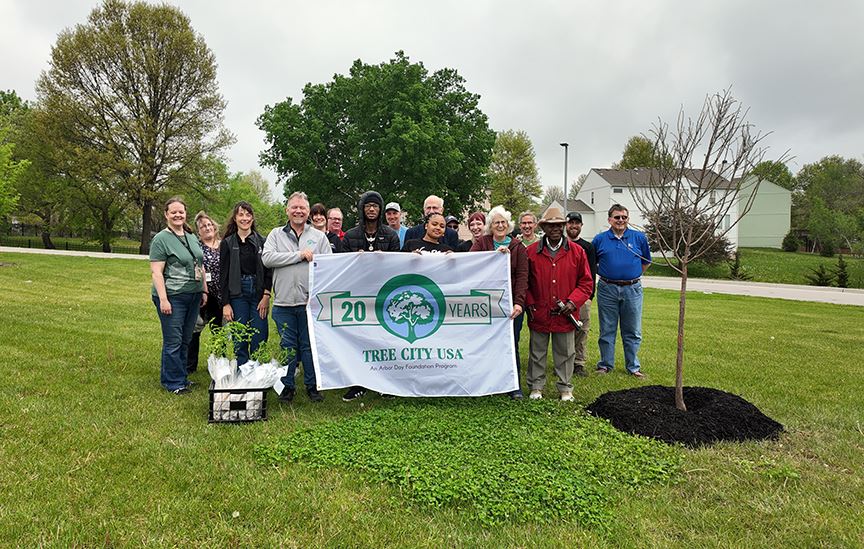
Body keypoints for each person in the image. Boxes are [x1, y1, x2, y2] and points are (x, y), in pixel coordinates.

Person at [262, 191, 332, 403]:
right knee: (287, 346)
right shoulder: (275, 235)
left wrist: (318, 295)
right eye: (295, 207)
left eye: (302, 208)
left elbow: (328, 267)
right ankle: (288, 386)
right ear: (287, 210)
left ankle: (312, 386)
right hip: (283, 303)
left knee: (309, 347)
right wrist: (299, 255)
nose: (299, 211)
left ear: (308, 211)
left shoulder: (319, 237)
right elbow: (267, 258)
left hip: (309, 303)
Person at [524, 207, 593, 401]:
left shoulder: (577, 252)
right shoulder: (531, 252)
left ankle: (565, 388)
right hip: (539, 311)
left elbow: (586, 282)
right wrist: (530, 303)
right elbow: (524, 282)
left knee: (566, 352)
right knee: (537, 352)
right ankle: (536, 387)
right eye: (550, 225)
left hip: (566, 313)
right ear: (543, 227)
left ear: (563, 226)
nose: (555, 229)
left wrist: (574, 302)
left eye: (559, 225)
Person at [340, 190, 401, 402]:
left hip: (384, 296)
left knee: (384, 339)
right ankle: (358, 383)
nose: (372, 209)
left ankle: (385, 384)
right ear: (362, 209)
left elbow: (397, 267)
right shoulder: (350, 236)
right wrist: (353, 260)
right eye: (368, 206)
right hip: (359, 296)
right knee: (359, 340)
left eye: (375, 206)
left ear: (380, 209)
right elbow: (340, 268)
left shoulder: (391, 236)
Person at [149, 197, 208, 394]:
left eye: (180, 212)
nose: (177, 215)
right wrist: (163, 299)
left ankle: (181, 376)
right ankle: (172, 382)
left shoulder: (191, 236)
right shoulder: (160, 239)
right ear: (166, 214)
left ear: (185, 214)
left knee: (185, 339)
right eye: (173, 212)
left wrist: (203, 289)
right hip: (172, 296)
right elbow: (157, 272)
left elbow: (200, 264)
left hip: (193, 295)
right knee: (173, 340)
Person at [470, 206, 528, 400]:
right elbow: (469, 263)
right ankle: (487, 383)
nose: (500, 225)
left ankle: (514, 385)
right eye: (496, 222)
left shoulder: (517, 247)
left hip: (509, 305)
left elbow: (522, 276)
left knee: (511, 344)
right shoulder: (483, 242)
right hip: (486, 303)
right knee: (485, 345)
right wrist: (493, 257)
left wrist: (519, 303)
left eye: (503, 222)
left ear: (509, 225)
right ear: (490, 226)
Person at [592, 204, 651, 378]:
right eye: (617, 217)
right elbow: (592, 263)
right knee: (607, 329)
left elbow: (646, 261)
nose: (621, 221)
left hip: (632, 289)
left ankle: (633, 367)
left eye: (624, 217)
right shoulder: (600, 239)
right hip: (607, 288)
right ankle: (605, 365)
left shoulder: (639, 237)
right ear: (609, 219)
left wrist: (631, 275)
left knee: (632, 330)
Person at [219, 201, 273, 366]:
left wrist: (266, 295)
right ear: (235, 218)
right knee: (240, 337)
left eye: (248, 214)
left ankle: (256, 373)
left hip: (257, 294)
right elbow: (224, 275)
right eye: (241, 214)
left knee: (259, 334)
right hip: (237, 294)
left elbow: (269, 270)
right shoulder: (227, 243)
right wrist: (226, 304)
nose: (245, 218)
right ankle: (242, 373)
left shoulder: (262, 241)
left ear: (253, 218)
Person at [186, 211, 223, 374]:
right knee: (196, 328)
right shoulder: (196, 247)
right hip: (203, 294)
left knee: (219, 331)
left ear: (214, 226)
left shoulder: (225, 245)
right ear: (199, 231)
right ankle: (190, 365)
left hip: (221, 296)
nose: (207, 228)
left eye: (209, 224)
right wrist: (202, 289)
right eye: (203, 226)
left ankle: (218, 364)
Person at [565, 211, 598, 377]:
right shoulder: (561, 245)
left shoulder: (588, 247)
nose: (573, 226)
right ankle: (565, 361)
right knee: (565, 331)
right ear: (566, 225)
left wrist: (589, 296)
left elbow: (592, 274)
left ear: (581, 226)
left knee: (582, 330)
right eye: (571, 222)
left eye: (577, 223)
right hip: (564, 296)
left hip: (583, 297)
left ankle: (579, 363)